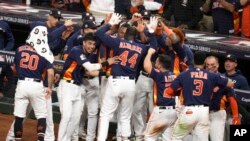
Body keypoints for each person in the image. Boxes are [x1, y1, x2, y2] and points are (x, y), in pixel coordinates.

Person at [95, 13, 158, 141]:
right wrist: (150, 32)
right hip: (130, 84)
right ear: (135, 36)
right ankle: (125, 138)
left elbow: (99, 34)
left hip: (116, 82)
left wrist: (109, 24)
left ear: (125, 34)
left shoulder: (119, 42)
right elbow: (154, 47)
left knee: (105, 114)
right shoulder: (141, 47)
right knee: (125, 116)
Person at [164, 51, 234, 141]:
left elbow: (169, 91)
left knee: (175, 137)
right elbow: (231, 84)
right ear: (204, 62)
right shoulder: (212, 75)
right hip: (204, 112)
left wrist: (183, 89)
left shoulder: (185, 74)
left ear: (193, 61)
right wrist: (217, 84)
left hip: (190, 110)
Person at [57, 33, 109, 141]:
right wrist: (107, 63)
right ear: (84, 42)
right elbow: (89, 67)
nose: (92, 46)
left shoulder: (87, 54)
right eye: (89, 43)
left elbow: (88, 70)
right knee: (66, 117)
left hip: (78, 87)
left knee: (76, 118)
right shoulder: (77, 50)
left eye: (94, 44)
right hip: (66, 85)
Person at [10, 26, 54, 141]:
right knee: (41, 116)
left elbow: (14, 70)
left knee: (19, 117)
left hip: (22, 84)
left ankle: (17, 139)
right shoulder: (45, 52)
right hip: (36, 86)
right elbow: (50, 73)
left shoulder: (19, 49)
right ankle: (40, 139)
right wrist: (49, 87)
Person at [143, 48, 178, 141]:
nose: (155, 63)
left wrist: (149, 53)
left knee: (149, 137)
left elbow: (146, 66)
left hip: (161, 112)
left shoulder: (160, 74)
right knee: (168, 139)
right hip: (173, 112)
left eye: (156, 62)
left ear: (159, 65)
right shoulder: (175, 75)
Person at [205, 56, 240, 141]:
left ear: (217, 65)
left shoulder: (223, 79)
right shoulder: (201, 77)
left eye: (212, 65)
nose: (209, 67)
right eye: (207, 65)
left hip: (216, 113)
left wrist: (235, 116)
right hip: (202, 113)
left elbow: (231, 97)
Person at [0, 20, 15, 98]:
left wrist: (5, 50)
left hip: (1, 57)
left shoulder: (3, 24)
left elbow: (11, 40)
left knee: (10, 75)